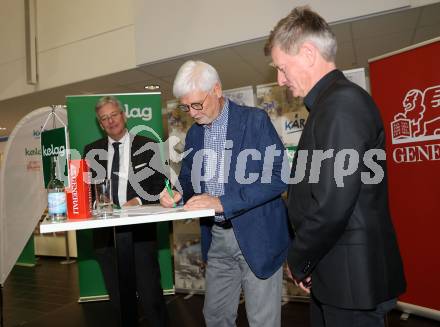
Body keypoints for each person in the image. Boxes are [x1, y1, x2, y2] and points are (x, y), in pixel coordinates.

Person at [265, 6, 406, 327]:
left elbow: (332, 204)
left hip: (351, 279)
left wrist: (299, 258)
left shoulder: (341, 104)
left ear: (308, 53)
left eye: (282, 67)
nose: (279, 79)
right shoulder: (331, 104)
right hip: (338, 272)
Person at [160, 60, 291, 327]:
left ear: (217, 90)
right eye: (186, 107)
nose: (192, 113)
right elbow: (188, 179)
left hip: (257, 236)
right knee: (216, 317)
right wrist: (177, 194)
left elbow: (279, 177)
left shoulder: (254, 121)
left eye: (197, 104)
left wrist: (222, 202)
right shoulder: (195, 135)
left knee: (262, 321)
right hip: (217, 239)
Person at [83, 96, 168, 327]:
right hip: (105, 235)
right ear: (100, 124)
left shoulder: (147, 146)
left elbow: (159, 185)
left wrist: (138, 201)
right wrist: (93, 203)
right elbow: (85, 191)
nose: (110, 122)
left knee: (151, 297)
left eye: (114, 115)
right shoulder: (91, 151)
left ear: (124, 115)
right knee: (119, 300)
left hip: (139, 233)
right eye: (104, 119)